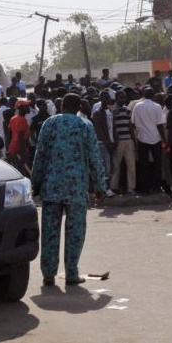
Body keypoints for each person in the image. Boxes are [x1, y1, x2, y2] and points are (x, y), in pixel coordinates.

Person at [32, 93, 106, 287]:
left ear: (61, 106)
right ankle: (71, 273)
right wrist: (100, 186)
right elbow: (94, 157)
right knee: (75, 232)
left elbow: (39, 155)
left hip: (51, 187)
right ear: (79, 106)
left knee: (50, 232)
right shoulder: (85, 125)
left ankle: (48, 274)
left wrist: (35, 184)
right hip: (76, 188)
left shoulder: (49, 124)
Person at [131, 87, 167, 194]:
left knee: (143, 164)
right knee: (157, 163)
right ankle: (157, 187)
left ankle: (145, 188)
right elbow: (159, 125)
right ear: (153, 96)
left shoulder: (137, 106)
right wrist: (164, 140)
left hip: (142, 138)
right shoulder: (157, 107)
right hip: (155, 138)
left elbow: (133, 122)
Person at [111, 90, 136, 195]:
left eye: (124, 97)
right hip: (118, 141)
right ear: (116, 98)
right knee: (116, 166)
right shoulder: (112, 110)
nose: (123, 99)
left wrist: (133, 140)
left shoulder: (128, 110)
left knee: (131, 165)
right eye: (121, 97)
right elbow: (112, 127)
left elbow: (130, 125)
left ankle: (131, 188)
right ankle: (113, 187)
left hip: (128, 140)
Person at [92, 90, 117, 197]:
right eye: (105, 98)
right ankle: (106, 189)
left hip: (112, 142)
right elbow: (99, 131)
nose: (107, 100)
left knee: (113, 166)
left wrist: (116, 140)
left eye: (108, 98)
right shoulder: (97, 113)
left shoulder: (110, 111)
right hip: (103, 143)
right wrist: (108, 143)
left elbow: (114, 128)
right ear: (101, 99)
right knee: (106, 166)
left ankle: (108, 187)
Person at [6, 100, 31, 177]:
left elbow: (9, 135)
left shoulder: (13, 118)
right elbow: (21, 137)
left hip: (13, 148)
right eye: (26, 106)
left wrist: (8, 148)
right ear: (21, 108)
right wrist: (24, 151)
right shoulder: (22, 120)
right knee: (22, 173)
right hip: (19, 150)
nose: (28, 108)